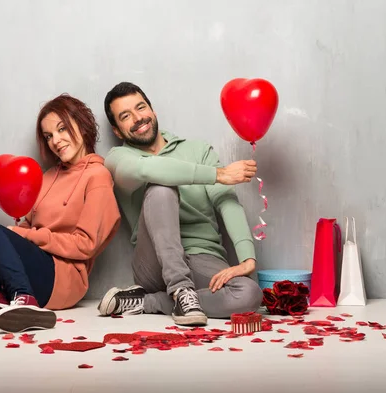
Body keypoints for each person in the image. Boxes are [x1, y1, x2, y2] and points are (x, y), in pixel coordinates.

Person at [97, 82, 263, 326]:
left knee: (249, 294)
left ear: (152, 111)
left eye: (140, 108)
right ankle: (180, 290)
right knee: (161, 187)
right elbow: (149, 169)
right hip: (153, 263)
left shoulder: (198, 150)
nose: (137, 118)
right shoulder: (118, 159)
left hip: (203, 257)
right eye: (125, 116)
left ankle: (148, 302)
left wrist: (248, 258)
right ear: (118, 130)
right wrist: (218, 174)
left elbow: (226, 202)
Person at [0, 94, 121, 333]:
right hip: (31, 266)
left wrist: (28, 236)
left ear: (82, 125)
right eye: (48, 135)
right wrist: (16, 234)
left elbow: (86, 245)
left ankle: (26, 301)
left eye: (62, 129)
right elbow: (26, 227)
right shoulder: (47, 176)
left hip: (63, 278)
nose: (55, 141)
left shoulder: (98, 176)